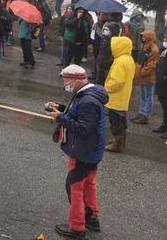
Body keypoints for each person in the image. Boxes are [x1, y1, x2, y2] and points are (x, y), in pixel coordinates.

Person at [45, 64, 108, 240]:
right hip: (91, 150)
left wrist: (59, 117)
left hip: (83, 152)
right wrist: (60, 107)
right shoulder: (87, 95)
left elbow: (83, 128)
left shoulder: (87, 100)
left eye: (67, 80)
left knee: (74, 187)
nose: (65, 83)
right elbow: (77, 112)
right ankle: (91, 218)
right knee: (88, 184)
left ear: (78, 80)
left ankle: (77, 227)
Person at [103, 36, 135, 153]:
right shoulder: (128, 59)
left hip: (116, 96)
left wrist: (106, 87)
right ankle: (121, 141)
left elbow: (117, 81)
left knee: (115, 120)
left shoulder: (120, 61)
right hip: (123, 95)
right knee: (121, 119)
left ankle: (117, 144)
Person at [131, 30, 159, 125]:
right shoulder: (144, 46)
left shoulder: (154, 50)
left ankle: (146, 116)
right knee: (143, 96)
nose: (142, 38)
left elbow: (151, 65)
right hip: (141, 75)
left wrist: (141, 72)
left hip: (147, 77)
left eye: (144, 37)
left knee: (148, 96)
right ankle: (141, 112)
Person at [94, 22, 121, 86]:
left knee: (106, 83)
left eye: (107, 30)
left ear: (113, 31)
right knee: (98, 82)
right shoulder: (104, 38)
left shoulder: (115, 42)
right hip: (100, 64)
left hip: (108, 66)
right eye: (104, 30)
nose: (105, 31)